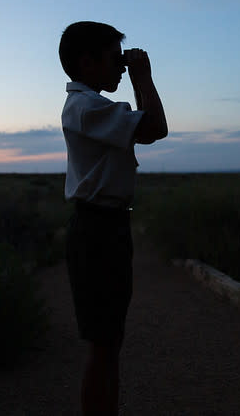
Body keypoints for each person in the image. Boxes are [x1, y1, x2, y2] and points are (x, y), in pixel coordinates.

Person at [58, 21, 167, 415]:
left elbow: (143, 126)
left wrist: (135, 77)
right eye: (114, 58)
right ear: (87, 63)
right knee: (103, 347)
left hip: (105, 228)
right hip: (98, 232)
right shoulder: (87, 107)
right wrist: (144, 77)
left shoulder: (91, 107)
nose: (121, 67)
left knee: (109, 343)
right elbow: (155, 126)